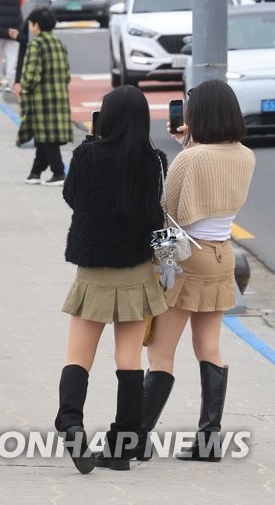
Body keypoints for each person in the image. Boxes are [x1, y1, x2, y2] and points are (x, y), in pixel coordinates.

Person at [54, 86, 169, 473]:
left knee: (78, 356)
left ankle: (70, 421)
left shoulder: (88, 155)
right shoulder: (153, 161)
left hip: (94, 268)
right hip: (136, 270)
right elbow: (156, 214)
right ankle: (122, 447)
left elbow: (72, 197)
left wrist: (89, 142)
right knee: (129, 358)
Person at [144, 80, 256, 462]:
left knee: (160, 353)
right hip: (222, 254)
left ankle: (137, 438)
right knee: (210, 347)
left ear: (198, 115)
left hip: (187, 258)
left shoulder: (190, 159)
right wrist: (188, 146)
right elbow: (209, 179)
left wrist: (185, 150)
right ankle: (210, 440)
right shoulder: (244, 155)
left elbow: (167, 207)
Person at [17, 7, 71, 185]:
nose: (31, 27)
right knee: (44, 135)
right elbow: (67, 74)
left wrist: (24, 86)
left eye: (32, 24)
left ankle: (58, 172)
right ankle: (36, 172)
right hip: (60, 97)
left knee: (46, 136)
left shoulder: (36, 44)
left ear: (37, 26)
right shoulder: (60, 44)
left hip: (41, 99)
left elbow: (32, 74)